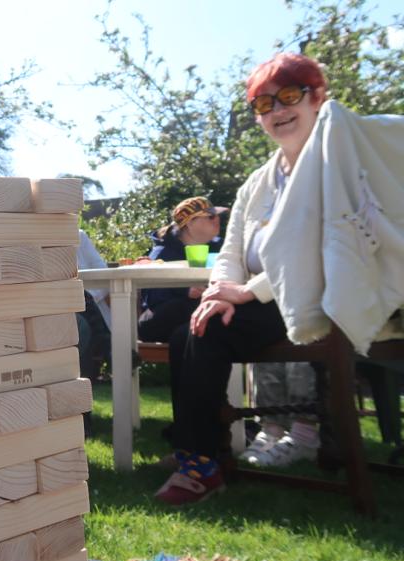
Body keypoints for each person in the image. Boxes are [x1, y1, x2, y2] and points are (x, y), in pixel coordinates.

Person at [154, 52, 328, 505]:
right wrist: (222, 292)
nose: (277, 111)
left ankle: (201, 465)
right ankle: (196, 452)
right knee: (183, 332)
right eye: (264, 104)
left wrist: (246, 293)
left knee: (207, 327)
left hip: (311, 300)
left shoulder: (332, 168)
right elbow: (231, 250)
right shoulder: (258, 182)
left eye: (290, 96)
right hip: (260, 300)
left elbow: (316, 253)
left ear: (318, 99)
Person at [137, 196, 226, 344]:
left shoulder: (221, 248)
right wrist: (185, 290)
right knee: (195, 306)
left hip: (194, 323)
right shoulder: (162, 253)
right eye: (210, 216)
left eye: (218, 215)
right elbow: (153, 298)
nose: (217, 219)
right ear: (190, 223)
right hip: (158, 322)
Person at [76, 229, 112, 381]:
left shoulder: (79, 236)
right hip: (60, 307)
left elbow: (105, 276)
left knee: (83, 300)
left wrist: (89, 296)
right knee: (80, 326)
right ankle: (110, 349)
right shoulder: (35, 237)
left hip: (88, 306)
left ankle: (109, 348)